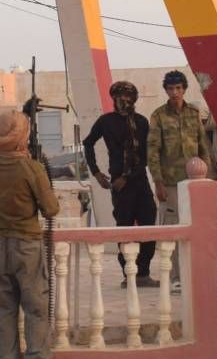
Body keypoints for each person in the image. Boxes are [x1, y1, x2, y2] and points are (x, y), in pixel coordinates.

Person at [0, 110, 62, 359]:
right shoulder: (31, 169)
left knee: (4, 309)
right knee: (36, 309)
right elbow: (50, 209)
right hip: (26, 244)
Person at [82, 80, 158, 286]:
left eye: (128, 96)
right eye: (120, 97)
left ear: (133, 99)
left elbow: (145, 156)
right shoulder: (105, 121)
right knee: (124, 229)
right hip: (119, 185)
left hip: (139, 181)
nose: (124, 100)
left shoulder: (141, 122)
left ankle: (143, 273)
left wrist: (128, 176)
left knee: (149, 226)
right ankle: (129, 275)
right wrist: (96, 173)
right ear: (114, 99)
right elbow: (88, 143)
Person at [149, 69, 209, 227]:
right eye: (170, 88)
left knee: (196, 221)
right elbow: (153, 151)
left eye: (178, 88)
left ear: (184, 89)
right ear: (166, 90)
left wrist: (207, 176)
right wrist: (158, 183)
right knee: (172, 222)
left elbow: (203, 145)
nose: (174, 92)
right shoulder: (158, 116)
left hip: (194, 180)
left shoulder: (193, 113)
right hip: (170, 181)